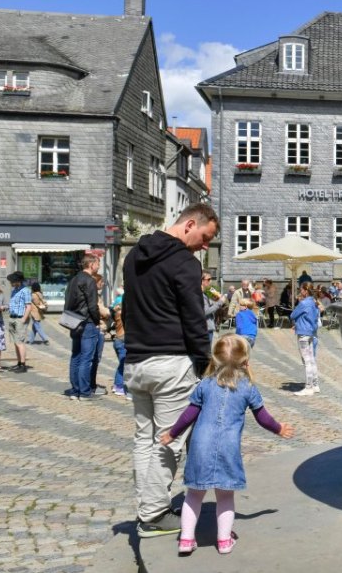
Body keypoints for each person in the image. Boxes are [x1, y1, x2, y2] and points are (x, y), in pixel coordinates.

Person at [123, 203, 220, 538]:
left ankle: (147, 506)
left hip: (136, 360)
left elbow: (130, 307)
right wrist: (206, 363)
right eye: (205, 238)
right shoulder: (184, 264)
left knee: (143, 439)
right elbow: (194, 320)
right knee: (169, 440)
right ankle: (153, 513)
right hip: (171, 363)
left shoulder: (134, 256)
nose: (204, 246)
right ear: (190, 224)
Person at [159, 334, 295, 556]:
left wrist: (172, 434)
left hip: (200, 446)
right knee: (225, 497)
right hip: (228, 449)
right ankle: (223, 541)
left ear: (214, 359)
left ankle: (186, 539)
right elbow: (263, 417)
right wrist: (278, 428)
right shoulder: (247, 387)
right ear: (245, 362)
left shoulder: (205, 384)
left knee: (193, 495)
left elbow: (189, 415)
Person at [64, 254, 101, 398]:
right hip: (87, 322)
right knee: (86, 358)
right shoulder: (89, 281)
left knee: (76, 356)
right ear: (91, 264)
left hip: (74, 321)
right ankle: (84, 391)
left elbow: (67, 301)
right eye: (97, 264)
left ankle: (75, 389)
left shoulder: (73, 280)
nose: (98, 267)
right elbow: (92, 305)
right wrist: (97, 321)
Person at [290, 282, 320, 396]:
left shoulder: (304, 303)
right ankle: (315, 385)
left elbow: (293, 315)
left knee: (307, 361)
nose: (300, 291)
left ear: (305, 291)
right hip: (312, 332)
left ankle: (308, 387)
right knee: (312, 359)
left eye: (301, 289)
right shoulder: (314, 302)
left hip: (303, 332)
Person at [6, 271, 31, 372]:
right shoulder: (14, 290)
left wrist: (23, 319)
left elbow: (28, 306)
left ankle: (23, 365)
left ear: (18, 281)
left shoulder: (26, 290)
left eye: (12, 280)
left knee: (20, 342)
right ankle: (19, 362)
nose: (10, 282)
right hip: (12, 317)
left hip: (20, 318)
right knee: (16, 342)